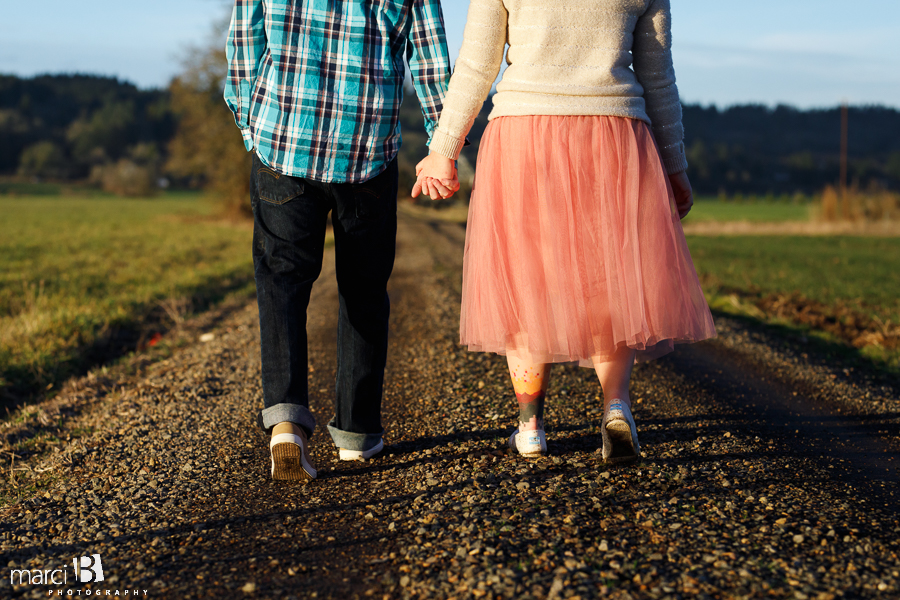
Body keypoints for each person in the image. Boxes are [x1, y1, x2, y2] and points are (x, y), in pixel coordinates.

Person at [414, 0, 716, 463]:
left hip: (523, 135)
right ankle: (616, 408)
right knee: (609, 279)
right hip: (615, 135)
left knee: (526, 278)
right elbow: (659, 79)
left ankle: (530, 425)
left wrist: (444, 149)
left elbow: (477, 65)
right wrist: (674, 166)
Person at [225, 0, 457, 480]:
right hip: (367, 147)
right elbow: (431, 58)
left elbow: (246, 39)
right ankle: (357, 433)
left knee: (282, 284)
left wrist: (252, 123)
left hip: (284, 138)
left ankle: (286, 425)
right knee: (364, 288)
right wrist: (442, 143)